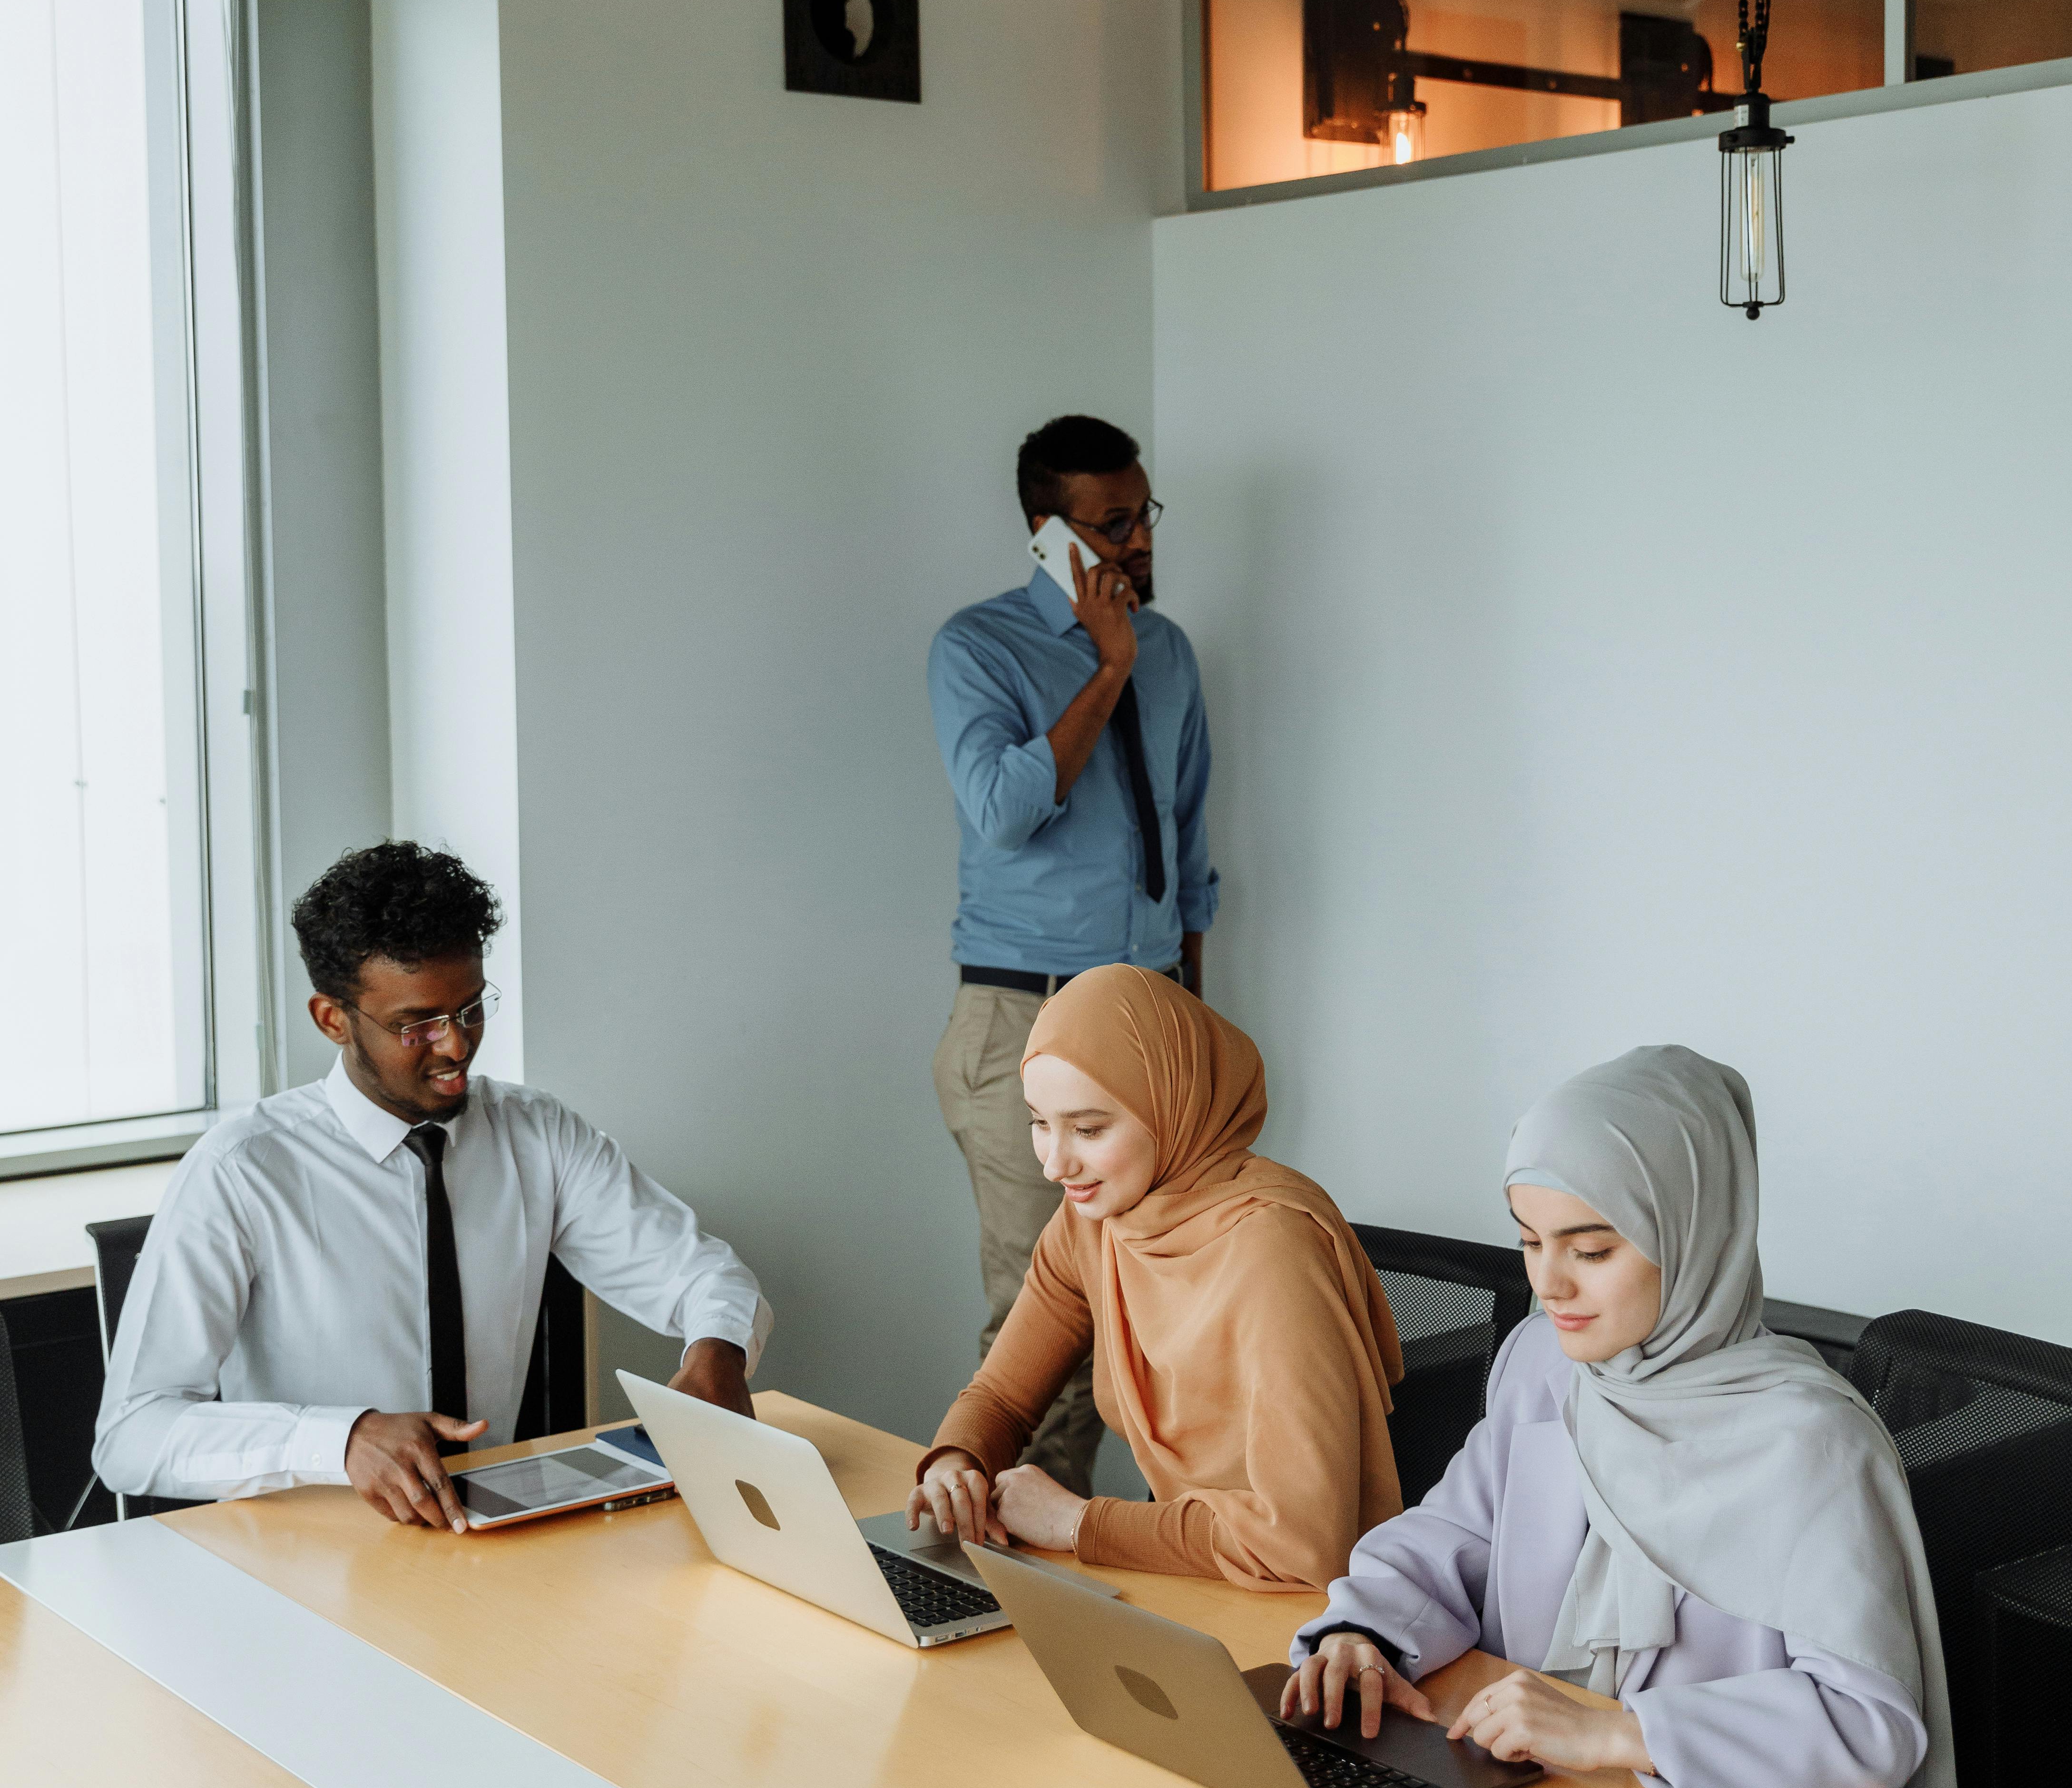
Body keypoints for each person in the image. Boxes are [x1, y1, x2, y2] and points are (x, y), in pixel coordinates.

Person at [1284, 1045, 1956, 1788]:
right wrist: (1359, 1633)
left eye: (1593, 1249)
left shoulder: (1813, 1442)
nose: (1550, 1283)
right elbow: (1448, 1538)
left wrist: (1619, 1734)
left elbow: (1870, 1724)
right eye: (1530, 1243)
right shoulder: (1545, 1362)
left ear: (1694, 1233)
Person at [94, 841, 772, 1530]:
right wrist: (342, 1440)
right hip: (308, 1557)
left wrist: (717, 1352)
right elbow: (132, 1437)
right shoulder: (242, 1170)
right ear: (333, 1019)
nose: (455, 1046)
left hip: (494, 1538)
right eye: (415, 1025)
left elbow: (703, 1277)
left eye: (471, 1009)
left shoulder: (535, 1134)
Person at [928, 413, 1218, 1497]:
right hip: (1027, 1022)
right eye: (1110, 524)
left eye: (1142, 514)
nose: (1138, 539)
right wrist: (1107, 667)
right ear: (1045, 533)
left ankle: (1142, 1568)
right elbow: (1003, 811)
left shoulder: (1177, 651)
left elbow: (1186, 845)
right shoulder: (978, 647)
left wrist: (1199, 1014)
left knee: (1167, 1312)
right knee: (1043, 1327)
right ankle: (1004, 1582)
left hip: (1155, 1019)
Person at [907, 965, 1402, 1590]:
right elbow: (1005, 1395)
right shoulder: (1097, 1218)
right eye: (1039, 1122)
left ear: (1171, 1104)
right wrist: (958, 1462)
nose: (1055, 1164)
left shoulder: (1272, 1248)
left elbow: (1302, 1544)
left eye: (1088, 1129)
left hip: (1318, 1616)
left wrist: (1080, 1523)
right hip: (1193, 1584)